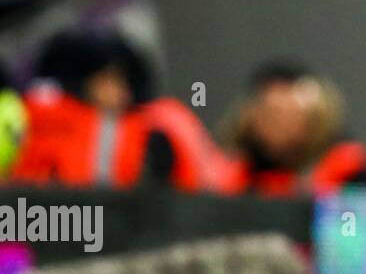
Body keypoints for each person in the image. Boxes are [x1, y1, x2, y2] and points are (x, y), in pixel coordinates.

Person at [9, 29, 227, 191]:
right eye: (108, 80)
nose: (123, 95)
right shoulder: (26, 117)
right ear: (78, 81)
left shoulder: (153, 135)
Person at [223, 61, 366, 197]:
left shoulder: (347, 166)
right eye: (273, 115)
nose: (283, 125)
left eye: (293, 115)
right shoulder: (235, 173)